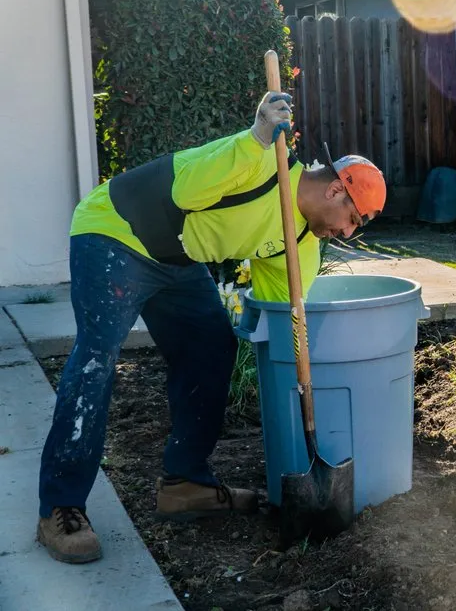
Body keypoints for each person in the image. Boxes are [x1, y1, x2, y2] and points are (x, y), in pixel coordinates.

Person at [37, 91, 386, 564]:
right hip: (114, 233)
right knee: (97, 359)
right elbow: (186, 191)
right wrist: (259, 137)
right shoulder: (258, 162)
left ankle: (185, 484)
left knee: (212, 348)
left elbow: (288, 322)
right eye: (353, 219)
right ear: (334, 190)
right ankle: (61, 506)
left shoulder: (302, 240)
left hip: (177, 260)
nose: (348, 233)